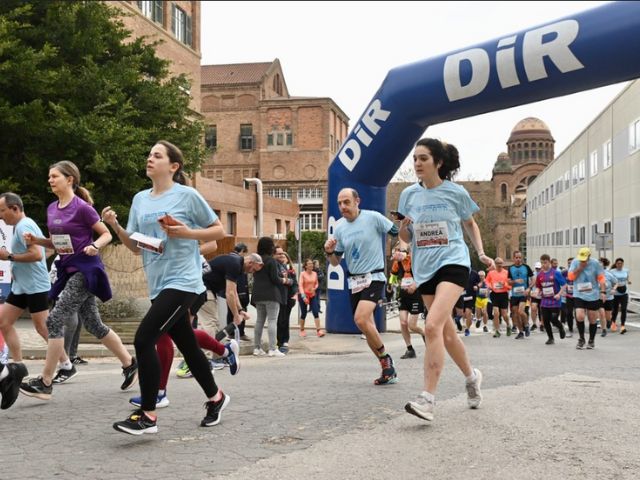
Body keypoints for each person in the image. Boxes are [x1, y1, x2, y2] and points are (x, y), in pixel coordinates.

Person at [104, 140, 227, 434]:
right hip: (158, 284)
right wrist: (116, 227)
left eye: (156, 156)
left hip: (184, 281)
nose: (150, 159)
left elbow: (219, 230)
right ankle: (216, 397)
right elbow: (135, 248)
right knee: (187, 344)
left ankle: (148, 414)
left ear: (173, 166)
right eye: (149, 155)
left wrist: (187, 232)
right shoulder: (140, 200)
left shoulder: (187, 196)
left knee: (144, 339)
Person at [19, 162, 138, 401]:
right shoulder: (52, 208)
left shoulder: (82, 208)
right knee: (94, 324)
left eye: (54, 176)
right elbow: (56, 243)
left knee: (54, 319)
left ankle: (45, 381)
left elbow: (105, 233)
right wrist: (37, 240)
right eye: (49, 177)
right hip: (67, 270)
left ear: (70, 179)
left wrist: (95, 246)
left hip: (86, 269)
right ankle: (129, 363)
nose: (50, 180)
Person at [397, 138, 493, 421]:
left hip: (453, 262)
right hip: (424, 267)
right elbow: (405, 237)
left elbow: (470, 223)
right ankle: (471, 377)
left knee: (431, 325)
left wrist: (481, 252)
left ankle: (427, 398)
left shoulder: (456, 192)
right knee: (446, 332)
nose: (417, 164)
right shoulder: (408, 196)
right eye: (415, 158)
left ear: (438, 163)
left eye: (424, 158)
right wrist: (403, 228)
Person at [324, 188, 400, 385]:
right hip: (354, 281)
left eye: (346, 202)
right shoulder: (339, 228)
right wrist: (329, 252)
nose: (342, 207)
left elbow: (396, 233)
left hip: (374, 276)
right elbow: (334, 262)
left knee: (360, 318)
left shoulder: (373, 218)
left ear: (358, 201)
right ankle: (387, 370)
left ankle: (385, 358)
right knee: (366, 327)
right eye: (340, 203)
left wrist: (400, 249)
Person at [0, 193, 57, 377]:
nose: (1, 216)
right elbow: (47, 249)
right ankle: (18, 367)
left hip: (35, 286)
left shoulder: (24, 225)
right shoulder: (22, 226)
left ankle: (65, 363)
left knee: (42, 328)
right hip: (22, 286)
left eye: (2, 211)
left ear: (15, 208)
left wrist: (8, 256)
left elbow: (36, 255)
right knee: (4, 322)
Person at [252, 236, 287, 357]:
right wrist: (284, 280)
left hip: (257, 294)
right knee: (272, 321)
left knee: (259, 321)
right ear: (270, 247)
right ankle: (272, 349)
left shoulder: (255, 259)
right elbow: (275, 279)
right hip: (271, 295)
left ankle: (257, 348)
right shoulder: (271, 261)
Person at [568, 247, 606, 350]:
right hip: (579, 293)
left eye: (584, 259)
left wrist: (603, 292)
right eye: (581, 259)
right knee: (579, 315)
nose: (583, 261)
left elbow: (601, 278)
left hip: (593, 294)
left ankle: (591, 340)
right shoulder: (575, 262)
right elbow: (570, 277)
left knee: (592, 318)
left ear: (589, 256)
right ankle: (581, 339)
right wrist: (580, 268)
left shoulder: (595, 263)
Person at [390, 245, 425, 358]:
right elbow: (393, 276)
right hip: (403, 295)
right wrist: (392, 284)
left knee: (412, 325)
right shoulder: (397, 263)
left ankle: (425, 334)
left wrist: (415, 285)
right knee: (403, 322)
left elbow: (423, 275)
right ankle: (409, 349)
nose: (397, 255)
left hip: (415, 294)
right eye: (395, 253)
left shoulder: (414, 260)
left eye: (399, 252)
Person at [536, 254, 566, 345]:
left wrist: (559, 294)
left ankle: (560, 327)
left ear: (549, 262)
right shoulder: (539, 274)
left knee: (553, 319)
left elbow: (564, 285)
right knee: (545, 320)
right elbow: (539, 287)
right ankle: (550, 338)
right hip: (545, 301)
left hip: (555, 301)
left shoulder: (556, 273)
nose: (543, 265)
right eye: (542, 263)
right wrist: (537, 292)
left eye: (545, 263)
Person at [507, 251, 534, 339]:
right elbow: (508, 282)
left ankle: (526, 325)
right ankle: (521, 332)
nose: (518, 259)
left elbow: (533, 279)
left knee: (520, 311)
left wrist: (529, 288)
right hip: (514, 294)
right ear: (513, 258)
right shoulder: (510, 268)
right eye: (516, 258)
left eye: (519, 257)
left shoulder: (526, 267)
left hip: (523, 293)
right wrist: (515, 281)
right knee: (515, 314)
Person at [276, 248, 298, 353]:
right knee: (281, 320)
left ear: (287, 259)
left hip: (289, 298)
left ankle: (285, 340)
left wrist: (294, 295)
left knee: (286, 319)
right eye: (280, 256)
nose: (282, 258)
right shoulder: (278, 268)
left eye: (284, 256)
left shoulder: (290, 269)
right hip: (280, 297)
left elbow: (295, 283)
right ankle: (280, 341)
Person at [298, 258, 324, 338]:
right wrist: (303, 296)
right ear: (305, 266)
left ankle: (319, 330)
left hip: (312, 295)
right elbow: (300, 285)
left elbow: (316, 283)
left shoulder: (315, 274)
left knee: (315, 311)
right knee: (304, 313)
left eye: (312, 264)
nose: (311, 265)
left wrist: (314, 288)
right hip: (303, 296)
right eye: (309, 264)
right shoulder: (302, 274)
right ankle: (302, 330)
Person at [486, 257, 511, 337]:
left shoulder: (507, 273)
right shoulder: (491, 273)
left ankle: (508, 325)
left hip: (503, 294)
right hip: (495, 294)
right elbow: (487, 281)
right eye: (498, 263)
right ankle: (497, 331)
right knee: (496, 313)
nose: (500, 265)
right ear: (495, 264)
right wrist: (490, 286)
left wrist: (505, 285)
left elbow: (510, 284)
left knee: (504, 314)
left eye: (501, 263)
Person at [610, 257, 631, 334]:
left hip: (624, 292)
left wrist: (628, 281)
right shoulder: (612, 271)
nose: (620, 265)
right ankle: (613, 323)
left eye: (621, 263)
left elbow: (627, 278)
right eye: (618, 263)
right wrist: (614, 287)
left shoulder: (626, 270)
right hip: (616, 293)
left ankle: (622, 325)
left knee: (624, 309)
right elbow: (610, 281)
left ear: (623, 264)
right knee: (615, 310)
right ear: (616, 264)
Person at [598, 258, 618, 337]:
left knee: (608, 315)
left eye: (600, 263)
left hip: (609, 297)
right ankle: (604, 329)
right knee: (601, 314)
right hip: (599, 297)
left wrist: (613, 289)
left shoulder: (608, 274)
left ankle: (609, 321)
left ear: (604, 264)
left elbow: (616, 282)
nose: (598, 264)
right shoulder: (594, 274)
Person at [462, 269, 481, 337]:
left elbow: (480, 282)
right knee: (462, 313)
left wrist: (477, 286)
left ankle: (467, 329)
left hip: (471, 296)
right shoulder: (460, 271)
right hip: (461, 296)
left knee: (468, 312)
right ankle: (462, 322)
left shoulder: (474, 273)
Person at [560, 257, 575, 337]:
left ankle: (580, 328)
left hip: (577, 295)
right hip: (568, 295)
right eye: (569, 262)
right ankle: (570, 330)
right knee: (569, 313)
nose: (570, 264)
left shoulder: (578, 271)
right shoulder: (564, 272)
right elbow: (561, 282)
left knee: (578, 313)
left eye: (572, 262)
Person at [529, 261, 543, 331]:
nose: (538, 270)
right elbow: (529, 285)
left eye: (539, 268)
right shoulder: (532, 275)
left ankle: (542, 324)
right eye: (537, 268)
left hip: (543, 295)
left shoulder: (544, 274)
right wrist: (530, 292)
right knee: (533, 308)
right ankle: (534, 324)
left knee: (542, 310)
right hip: (534, 295)